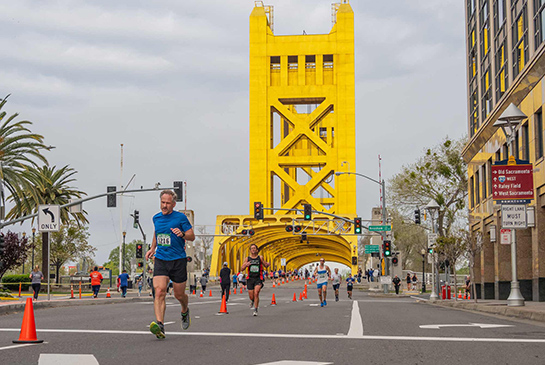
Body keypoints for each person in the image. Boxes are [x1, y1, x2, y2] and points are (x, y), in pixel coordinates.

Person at [145, 189, 195, 339]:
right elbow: (157, 233)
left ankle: (185, 310)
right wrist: (152, 248)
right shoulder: (156, 218)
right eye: (162, 202)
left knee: (179, 294)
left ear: (173, 203)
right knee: (159, 291)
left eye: (167, 203)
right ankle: (160, 325)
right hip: (161, 258)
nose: (164, 205)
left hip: (178, 260)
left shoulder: (180, 218)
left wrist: (183, 234)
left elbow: (192, 236)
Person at [241, 243, 270, 316]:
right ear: (250, 250)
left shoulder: (260, 257)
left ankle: (256, 309)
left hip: (258, 278)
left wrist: (267, 264)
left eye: (254, 248)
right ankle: (252, 300)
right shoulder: (247, 259)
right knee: (251, 296)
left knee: (256, 293)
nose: (253, 249)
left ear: (257, 250)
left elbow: (265, 264)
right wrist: (246, 265)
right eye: (252, 248)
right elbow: (242, 268)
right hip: (250, 278)